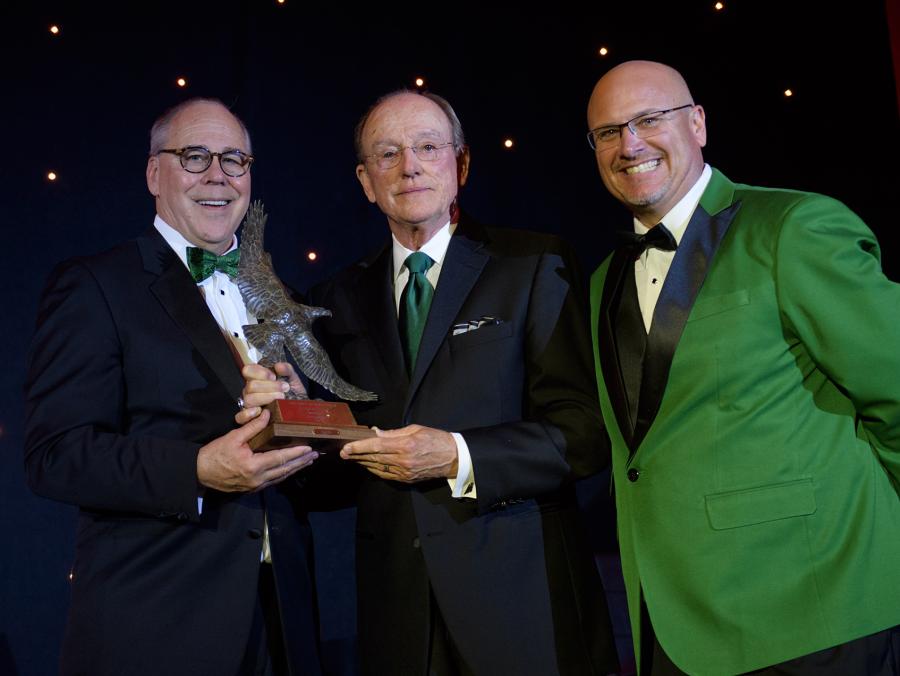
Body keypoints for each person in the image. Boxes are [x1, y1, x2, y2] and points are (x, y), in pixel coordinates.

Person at [239, 90, 618, 675]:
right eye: (387, 154)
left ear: (460, 164)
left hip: (524, 605)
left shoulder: (535, 264)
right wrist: (293, 421)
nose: (409, 166)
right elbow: (336, 478)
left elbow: (584, 433)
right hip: (399, 616)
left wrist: (458, 455)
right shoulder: (334, 300)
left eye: (426, 148)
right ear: (366, 181)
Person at [585, 60, 900, 674]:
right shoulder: (603, 280)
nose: (630, 144)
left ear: (698, 123)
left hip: (820, 612)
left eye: (649, 119)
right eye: (607, 131)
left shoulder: (793, 226)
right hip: (677, 627)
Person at [24, 98, 323, 676]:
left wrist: (301, 411)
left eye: (235, 159)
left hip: (281, 620)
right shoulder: (96, 285)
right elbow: (54, 455)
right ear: (153, 174)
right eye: (194, 156)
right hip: (155, 623)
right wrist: (196, 471)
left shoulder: (280, 291)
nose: (218, 175)